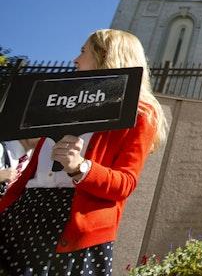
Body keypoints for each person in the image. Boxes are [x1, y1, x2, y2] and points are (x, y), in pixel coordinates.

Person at [0, 29, 168, 276]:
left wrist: (80, 167)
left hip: (71, 225)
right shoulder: (60, 102)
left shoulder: (140, 114)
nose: (74, 60)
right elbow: (31, 175)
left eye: (83, 52)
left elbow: (125, 183)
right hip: (21, 215)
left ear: (106, 56)